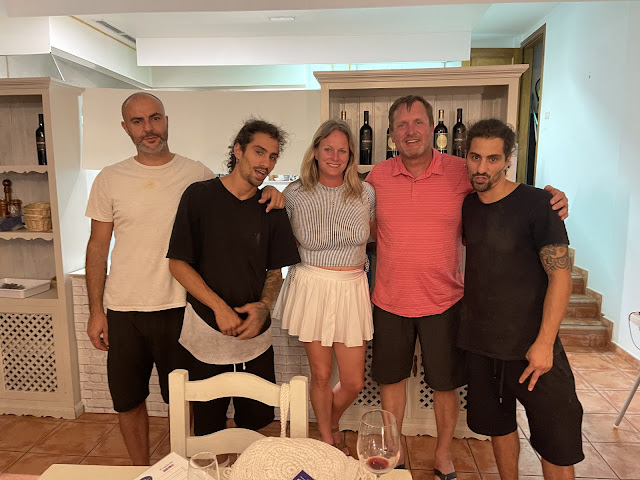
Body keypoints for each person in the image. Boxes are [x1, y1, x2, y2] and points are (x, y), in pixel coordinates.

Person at [365, 95, 569, 477]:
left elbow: (504, 191)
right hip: (390, 300)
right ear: (391, 134)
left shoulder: (461, 170)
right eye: (402, 125)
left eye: (418, 122)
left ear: (432, 128)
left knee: (445, 386)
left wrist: (550, 199)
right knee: (391, 383)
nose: (411, 131)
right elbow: (344, 204)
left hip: (445, 301)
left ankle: (443, 455)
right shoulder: (376, 177)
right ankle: (394, 454)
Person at [85, 94, 284, 465]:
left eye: (155, 118)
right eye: (138, 121)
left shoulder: (197, 175)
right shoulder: (109, 178)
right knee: (128, 400)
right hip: (124, 308)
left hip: (181, 307)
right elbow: (97, 247)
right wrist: (96, 310)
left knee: (186, 400)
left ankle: (187, 467)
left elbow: (234, 194)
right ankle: (141, 470)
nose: (149, 128)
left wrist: (270, 190)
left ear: (166, 120)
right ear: (126, 127)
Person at [459, 119, 583, 480]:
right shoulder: (468, 205)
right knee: (499, 428)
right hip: (482, 343)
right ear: (465, 157)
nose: (482, 168)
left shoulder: (539, 203)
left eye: (493, 159)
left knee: (556, 441)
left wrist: (544, 343)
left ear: (508, 159)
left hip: (532, 346)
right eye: (475, 157)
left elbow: (561, 277)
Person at [166, 119, 300, 436]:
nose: (266, 163)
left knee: (254, 428)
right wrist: (219, 308)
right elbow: (178, 265)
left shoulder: (271, 208)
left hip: (255, 340)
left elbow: (275, 272)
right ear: (238, 150)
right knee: (208, 430)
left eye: (272, 156)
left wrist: (264, 307)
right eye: (259, 152)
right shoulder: (199, 197)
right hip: (204, 335)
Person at [272, 120, 376, 452]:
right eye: (328, 148)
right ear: (316, 151)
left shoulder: (366, 193)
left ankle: (328, 423)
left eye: (342, 150)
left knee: (353, 381)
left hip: (352, 287)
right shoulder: (295, 194)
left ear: (351, 155)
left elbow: (375, 235)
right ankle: (328, 440)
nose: (335, 156)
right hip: (312, 286)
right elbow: (275, 236)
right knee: (320, 375)